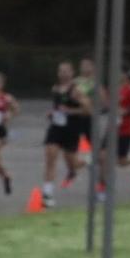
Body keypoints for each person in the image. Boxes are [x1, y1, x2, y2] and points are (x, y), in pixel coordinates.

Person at [41, 63, 89, 207]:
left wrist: (70, 111)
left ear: (72, 73)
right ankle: (47, 194)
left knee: (73, 163)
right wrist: (52, 113)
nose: (63, 74)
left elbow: (88, 110)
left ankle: (87, 160)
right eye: (61, 71)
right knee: (51, 158)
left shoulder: (76, 91)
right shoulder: (55, 89)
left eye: (66, 71)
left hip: (71, 129)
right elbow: (57, 108)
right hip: (56, 128)